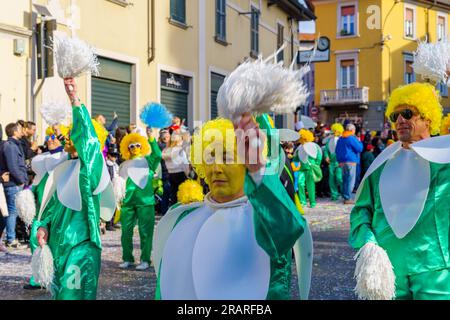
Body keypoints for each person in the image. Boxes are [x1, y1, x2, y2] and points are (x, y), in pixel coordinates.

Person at [153, 115, 310, 299]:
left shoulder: (265, 218)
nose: (216, 168)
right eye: (210, 158)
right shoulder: (183, 217)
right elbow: (167, 285)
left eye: (227, 158)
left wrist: (258, 171)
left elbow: (288, 229)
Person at [349, 82, 450, 300]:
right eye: (395, 116)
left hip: (435, 269)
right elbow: (362, 210)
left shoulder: (445, 160)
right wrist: (368, 244)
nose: (400, 120)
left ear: (428, 118)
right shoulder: (381, 164)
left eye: (407, 113)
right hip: (389, 271)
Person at [35, 77, 115, 299]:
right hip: (58, 245)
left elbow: (87, 139)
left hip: (81, 245)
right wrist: (43, 227)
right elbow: (50, 205)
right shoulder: (63, 166)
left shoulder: (91, 166)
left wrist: (75, 99)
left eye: (72, 135)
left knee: (73, 295)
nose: (68, 138)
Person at [22, 125, 68, 290]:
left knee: (53, 243)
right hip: (41, 210)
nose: (49, 140)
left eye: (53, 138)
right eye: (48, 138)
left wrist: (61, 136)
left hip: (56, 210)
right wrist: (27, 194)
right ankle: (39, 276)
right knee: (35, 238)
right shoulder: (42, 160)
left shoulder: (64, 158)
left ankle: (54, 275)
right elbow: (36, 183)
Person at [118, 129, 162, 271]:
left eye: (137, 145)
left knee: (146, 232)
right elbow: (119, 184)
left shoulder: (148, 161)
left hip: (145, 202)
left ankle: (145, 259)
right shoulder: (124, 165)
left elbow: (158, 155)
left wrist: (151, 138)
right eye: (131, 146)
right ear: (127, 148)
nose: (135, 148)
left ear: (142, 146)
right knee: (126, 232)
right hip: (128, 203)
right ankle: (127, 258)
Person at [0, 122, 28, 248]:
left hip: (14, 182)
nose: (22, 130)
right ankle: (10, 239)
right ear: (14, 132)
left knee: (12, 211)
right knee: (12, 211)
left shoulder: (14, 145)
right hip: (13, 183)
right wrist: (21, 179)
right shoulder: (10, 146)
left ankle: (9, 238)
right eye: (20, 129)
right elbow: (13, 166)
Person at [294, 129, 322, 208]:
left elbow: (319, 156)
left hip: (310, 168)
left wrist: (316, 165)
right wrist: (293, 156)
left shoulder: (314, 146)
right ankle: (303, 201)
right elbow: (296, 158)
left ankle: (312, 202)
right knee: (300, 183)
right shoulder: (299, 147)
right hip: (302, 169)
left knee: (310, 185)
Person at [335, 123, 363, 204]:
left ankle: (345, 196)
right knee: (350, 180)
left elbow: (337, 150)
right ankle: (348, 198)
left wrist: (339, 161)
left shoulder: (341, 138)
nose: (354, 132)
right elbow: (359, 148)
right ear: (351, 130)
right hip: (351, 161)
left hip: (342, 162)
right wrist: (359, 141)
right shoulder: (351, 138)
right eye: (354, 130)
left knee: (345, 180)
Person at [161, 132, 190, 207]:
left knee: (173, 194)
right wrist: (187, 174)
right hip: (180, 173)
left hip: (171, 174)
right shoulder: (179, 150)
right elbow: (185, 163)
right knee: (183, 194)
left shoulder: (166, 150)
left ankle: (173, 210)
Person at [323, 123, 344, 201]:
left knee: (339, 178)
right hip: (331, 162)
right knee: (331, 179)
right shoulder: (329, 140)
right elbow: (326, 150)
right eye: (334, 131)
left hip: (339, 161)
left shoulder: (341, 140)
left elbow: (343, 151)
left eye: (336, 131)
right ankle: (334, 195)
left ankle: (343, 193)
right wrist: (326, 156)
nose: (335, 132)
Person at [157, 129, 171, 215]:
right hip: (166, 172)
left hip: (166, 172)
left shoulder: (162, 146)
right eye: (165, 137)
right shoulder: (162, 146)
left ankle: (164, 211)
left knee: (166, 194)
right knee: (167, 193)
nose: (167, 138)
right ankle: (165, 212)